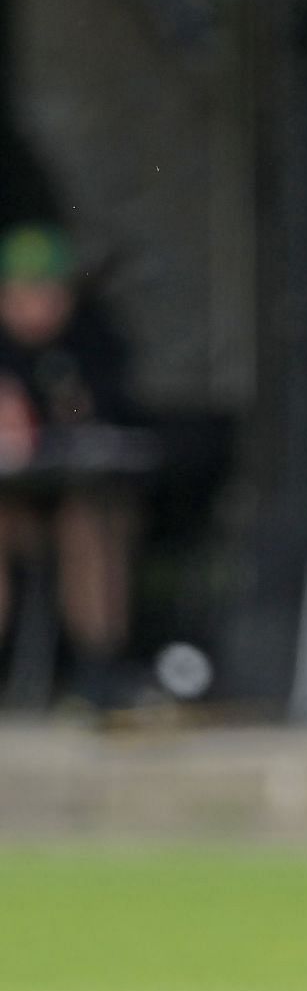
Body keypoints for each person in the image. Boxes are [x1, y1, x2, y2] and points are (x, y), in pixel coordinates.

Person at [0, 223, 139, 706]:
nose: (38, 306)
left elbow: (113, 422)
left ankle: (98, 671)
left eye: (50, 293)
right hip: (12, 506)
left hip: (70, 497)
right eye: (24, 293)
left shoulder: (92, 340)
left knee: (92, 525)